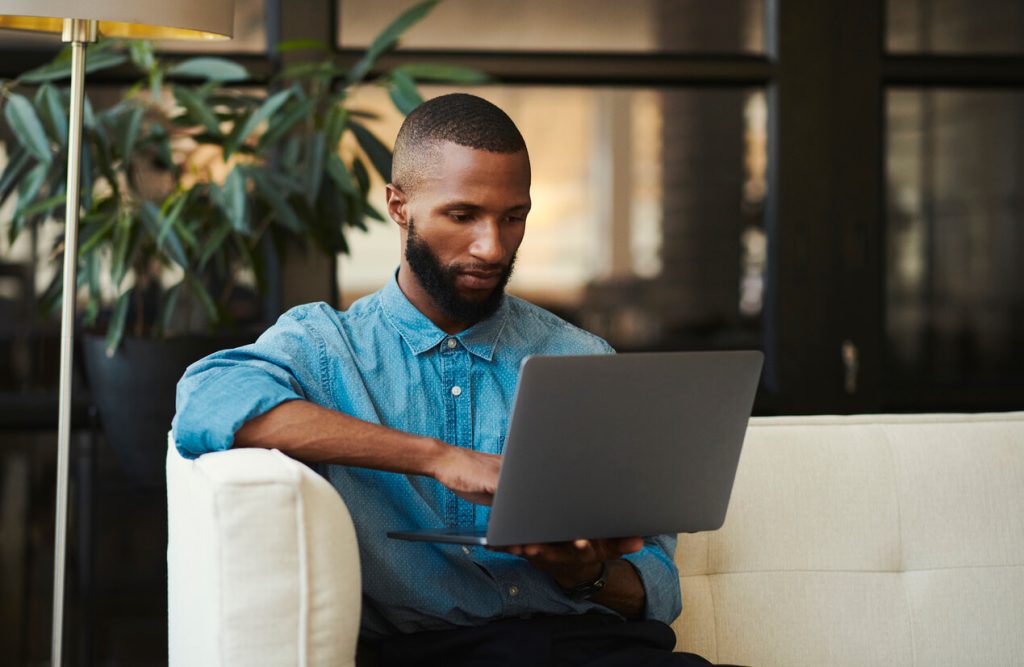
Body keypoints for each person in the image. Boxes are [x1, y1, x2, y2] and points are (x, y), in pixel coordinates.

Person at [173, 93, 712, 666]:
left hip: (601, 650)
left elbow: (656, 585)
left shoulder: (581, 358)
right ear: (398, 205)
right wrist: (436, 457)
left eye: (513, 217)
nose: (493, 247)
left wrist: (586, 574)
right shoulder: (327, 348)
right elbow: (208, 402)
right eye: (463, 216)